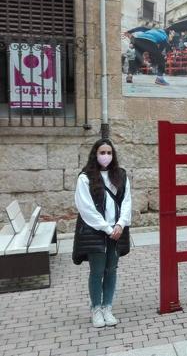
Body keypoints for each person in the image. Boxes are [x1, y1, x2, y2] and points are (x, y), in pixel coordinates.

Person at [73, 138, 132, 328]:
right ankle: (96, 309)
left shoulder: (121, 176)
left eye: (109, 153)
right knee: (97, 271)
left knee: (111, 270)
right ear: (95, 154)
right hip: (96, 232)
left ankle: (108, 307)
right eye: (102, 152)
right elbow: (86, 207)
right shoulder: (85, 178)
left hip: (117, 231)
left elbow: (126, 201)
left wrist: (121, 224)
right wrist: (107, 228)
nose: (105, 156)